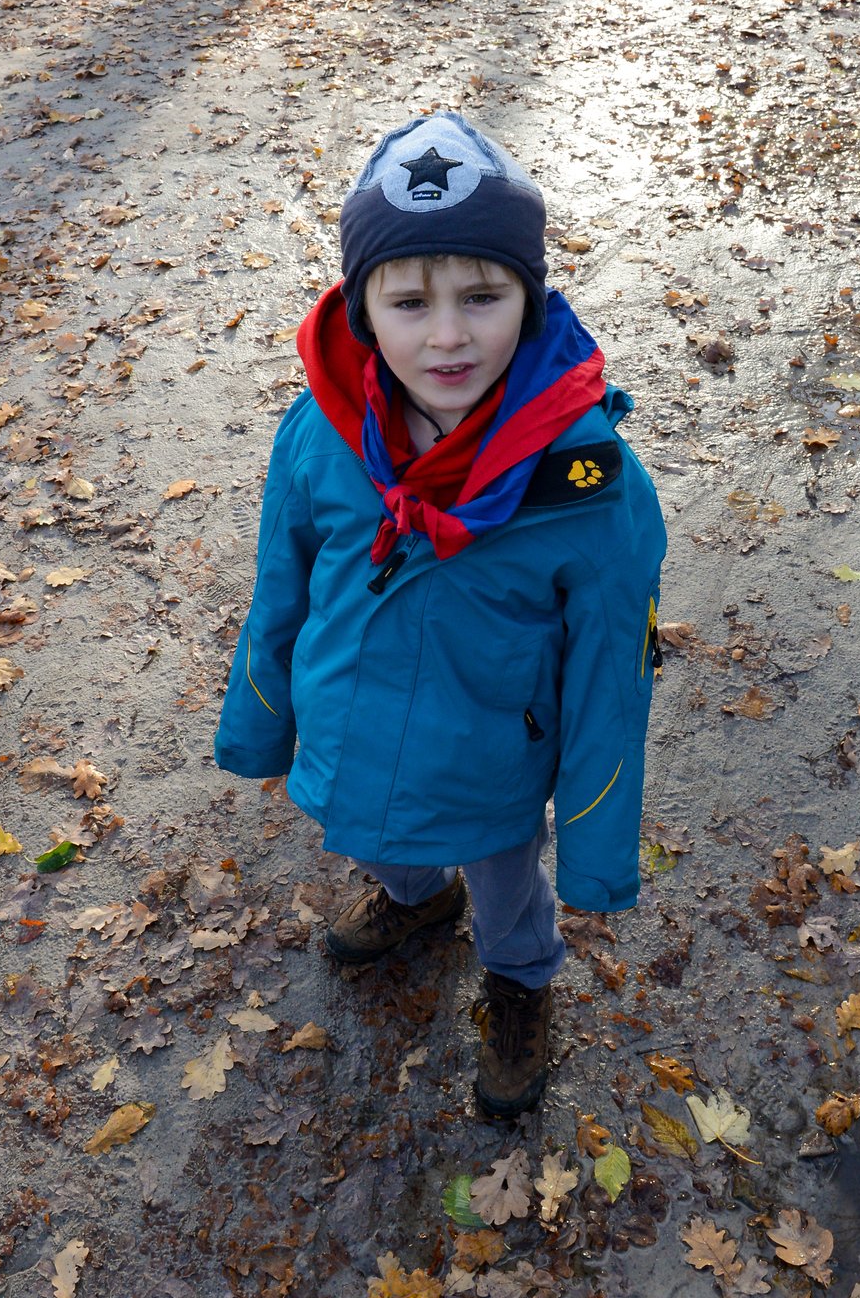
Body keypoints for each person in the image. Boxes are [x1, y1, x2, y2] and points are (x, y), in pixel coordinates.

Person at [214, 112, 666, 1119]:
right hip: (354, 735)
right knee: (385, 841)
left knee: (506, 892)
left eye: (481, 297)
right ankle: (417, 898)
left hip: (492, 761)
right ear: (363, 308)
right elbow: (280, 586)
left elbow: (610, 682)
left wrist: (595, 846)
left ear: (528, 301)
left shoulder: (589, 488)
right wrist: (261, 723)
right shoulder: (319, 434)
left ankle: (518, 978)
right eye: (410, 301)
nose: (449, 335)